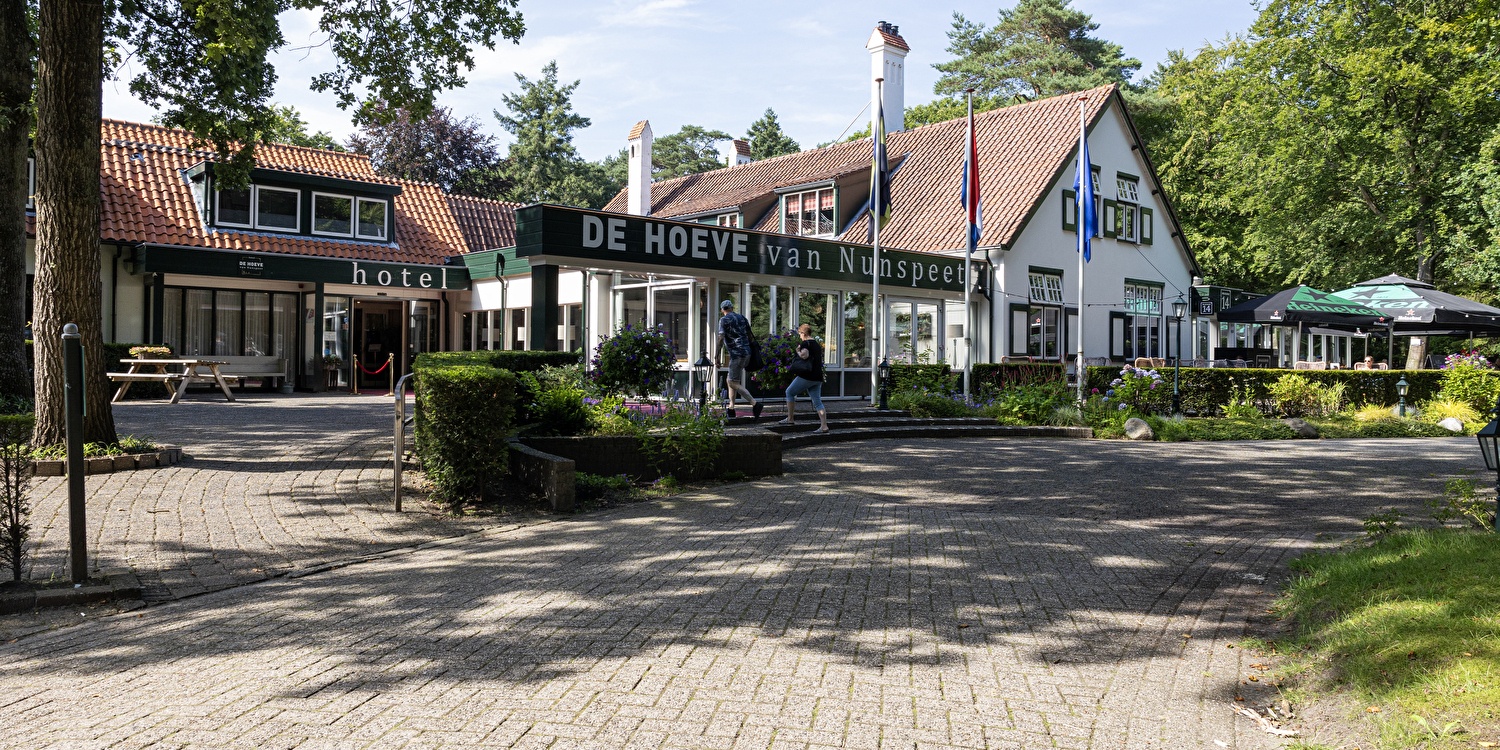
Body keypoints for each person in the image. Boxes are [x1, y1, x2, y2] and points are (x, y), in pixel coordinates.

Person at [778, 323, 830, 433]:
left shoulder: (805, 343)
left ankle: (790, 419)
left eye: (800, 334)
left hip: (807, 376)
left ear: (803, 333)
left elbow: (804, 355)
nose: (799, 336)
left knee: (789, 392)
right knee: (817, 402)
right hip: (817, 377)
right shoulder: (816, 344)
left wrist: (797, 351)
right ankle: (824, 426)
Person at [715, 299, 761, 418]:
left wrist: (716, 356)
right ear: (731, 308)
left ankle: (754, 403)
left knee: (730, 381)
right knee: (734, 381)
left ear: (722, 310)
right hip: (747, 353)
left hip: (736, 354)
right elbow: (750, 335)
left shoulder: (723, 320)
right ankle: (731, 408)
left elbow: (720, 338)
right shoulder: (742, 318)